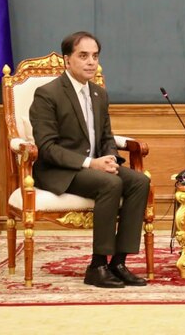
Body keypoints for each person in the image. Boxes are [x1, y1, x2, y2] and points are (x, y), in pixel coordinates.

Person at [30, 31, 151, 288]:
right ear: (67, 60)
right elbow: (47, 148)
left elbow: (106, 136)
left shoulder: (99, 94)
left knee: (139, 181)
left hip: (94, 166)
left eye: (95, 56)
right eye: (83, 56)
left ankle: (118, 262)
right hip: (60, 170)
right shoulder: (47, 94)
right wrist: (90, 164)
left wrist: (110, 158)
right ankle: (97, 266)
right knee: (110, 183)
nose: (91, 62)